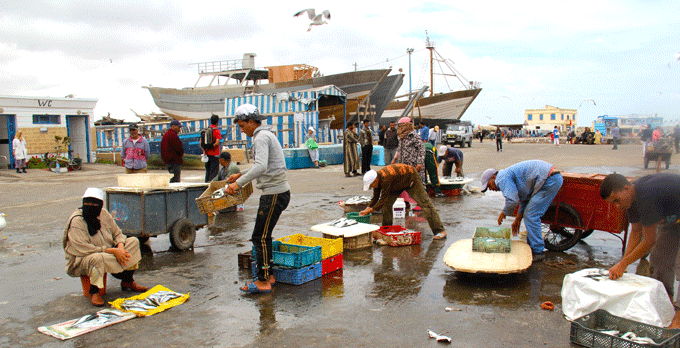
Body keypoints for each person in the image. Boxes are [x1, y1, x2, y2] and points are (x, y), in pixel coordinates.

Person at [599, 173, 680, 328]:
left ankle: (679, 319)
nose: (617, 206)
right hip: (673, 219)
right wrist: (623, 263)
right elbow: (636, 233)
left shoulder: (647, 196)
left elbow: (649, 241)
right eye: (613, 203)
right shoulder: (630, 201)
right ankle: (666, 305)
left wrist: (623, 265)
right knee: (659, 261)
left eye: (616, 200)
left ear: (626, 188)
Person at [225, 104, 290, 294]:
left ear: (252, 122)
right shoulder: (265, 135)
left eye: (242, 125)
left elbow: (260, 166)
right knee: (264, 236)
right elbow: (262, 165)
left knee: (259, 236)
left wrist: (239, 184)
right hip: (276, 192)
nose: (241, 129)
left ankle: (263, 281)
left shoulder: (261, 137)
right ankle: (267, 275)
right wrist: (240, 175)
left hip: (274, 193)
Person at [63, 188, 148, 306]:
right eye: (87, 203)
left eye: (94, 204)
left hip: (108, 251)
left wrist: (120, 247)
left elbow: (118, 233)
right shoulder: (77, 221)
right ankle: (94, 291)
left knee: (133, 241)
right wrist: (113, 251)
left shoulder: (103, 214)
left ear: (100, 205)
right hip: (83, 258)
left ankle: (127, 280)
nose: (91, 206)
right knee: (97, 258)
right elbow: (83, 249)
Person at [480, 160, 563, 262]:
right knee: (529, 213)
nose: (490, 189)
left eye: (489, 185)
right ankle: (534, 247)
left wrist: (504, 213)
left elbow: (513, 201)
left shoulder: (501, 178)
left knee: (531, 215)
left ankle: (538, 252)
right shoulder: (506, 175)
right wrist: (517, 220)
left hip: (549, 180)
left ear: (493, 177)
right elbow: (524, 200)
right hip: (549, 178)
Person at [359, 164, 447, 240]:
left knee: (425, 204)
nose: (371, 187)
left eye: (371, 185)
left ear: (375, 180)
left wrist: (370, 211)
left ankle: (439, 230)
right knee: (387, 206)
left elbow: (383, 199)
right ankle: (386, 232)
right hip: (396, 183)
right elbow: (375, 197)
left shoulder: (386, 179)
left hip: (410, 179)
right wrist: (367, 208)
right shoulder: (377, 179)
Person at [391, 117, 426, 183]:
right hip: (404, 165)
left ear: (406, 126)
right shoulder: (402, 137)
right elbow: (399, 149)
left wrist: (419, 163)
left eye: (401, 126)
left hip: (414, 165)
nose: (399, 128)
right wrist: (394, 160)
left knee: (416, 184)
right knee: (406, 184)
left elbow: (421, 149)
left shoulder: (414, 136)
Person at [203, 115, 222, 182]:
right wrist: (212, 146)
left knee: (208, 171)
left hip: (207, 154)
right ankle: (211, 186)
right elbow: (217, 142)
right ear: (217, 122)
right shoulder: (216, 130)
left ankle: (206, 184)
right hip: (215, 154)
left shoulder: (206, 130)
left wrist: (205, 150)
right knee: (214, 172)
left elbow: (201, 142)